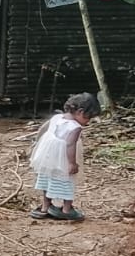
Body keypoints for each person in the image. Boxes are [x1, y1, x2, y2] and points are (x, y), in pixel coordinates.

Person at [28, 93, 101, 221]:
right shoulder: (75, 127)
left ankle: (45, 207)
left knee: (47, 178)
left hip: (47, 156)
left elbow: (43, 129)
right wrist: (72, 163)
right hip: (63, 158)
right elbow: (70, 145)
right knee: (67, 180)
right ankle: (66, 210)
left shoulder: (57, 117)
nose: (88, 122)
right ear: (80, 112)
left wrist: (37, 143)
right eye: (88, 117)